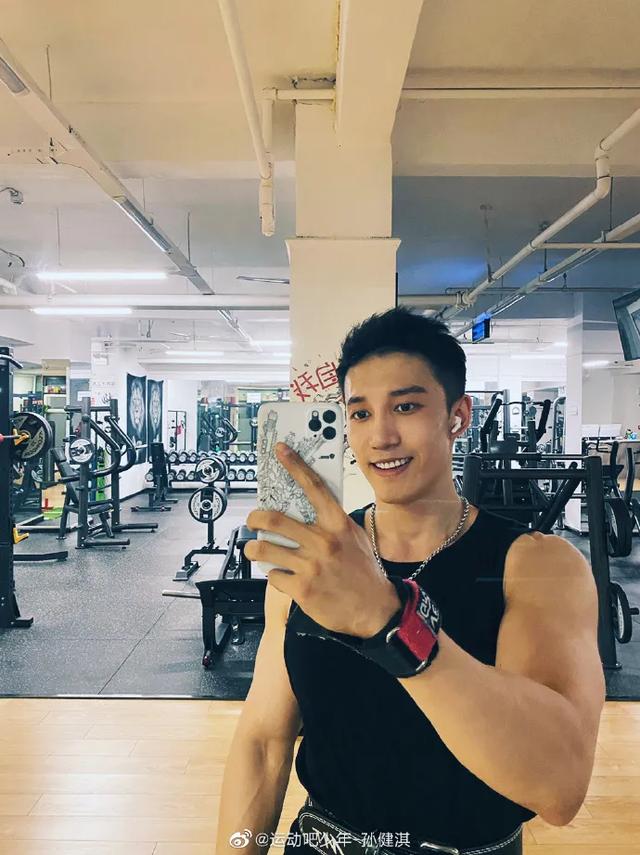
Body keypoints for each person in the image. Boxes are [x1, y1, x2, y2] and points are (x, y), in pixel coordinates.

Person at [216, 307, 605, 855]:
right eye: (360, 413)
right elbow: (263, 742)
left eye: (406, 406)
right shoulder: (316, 565)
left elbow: (558, 789)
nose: (381, 436)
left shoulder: (537, 566)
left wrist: (390, 623)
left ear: (457, 416)